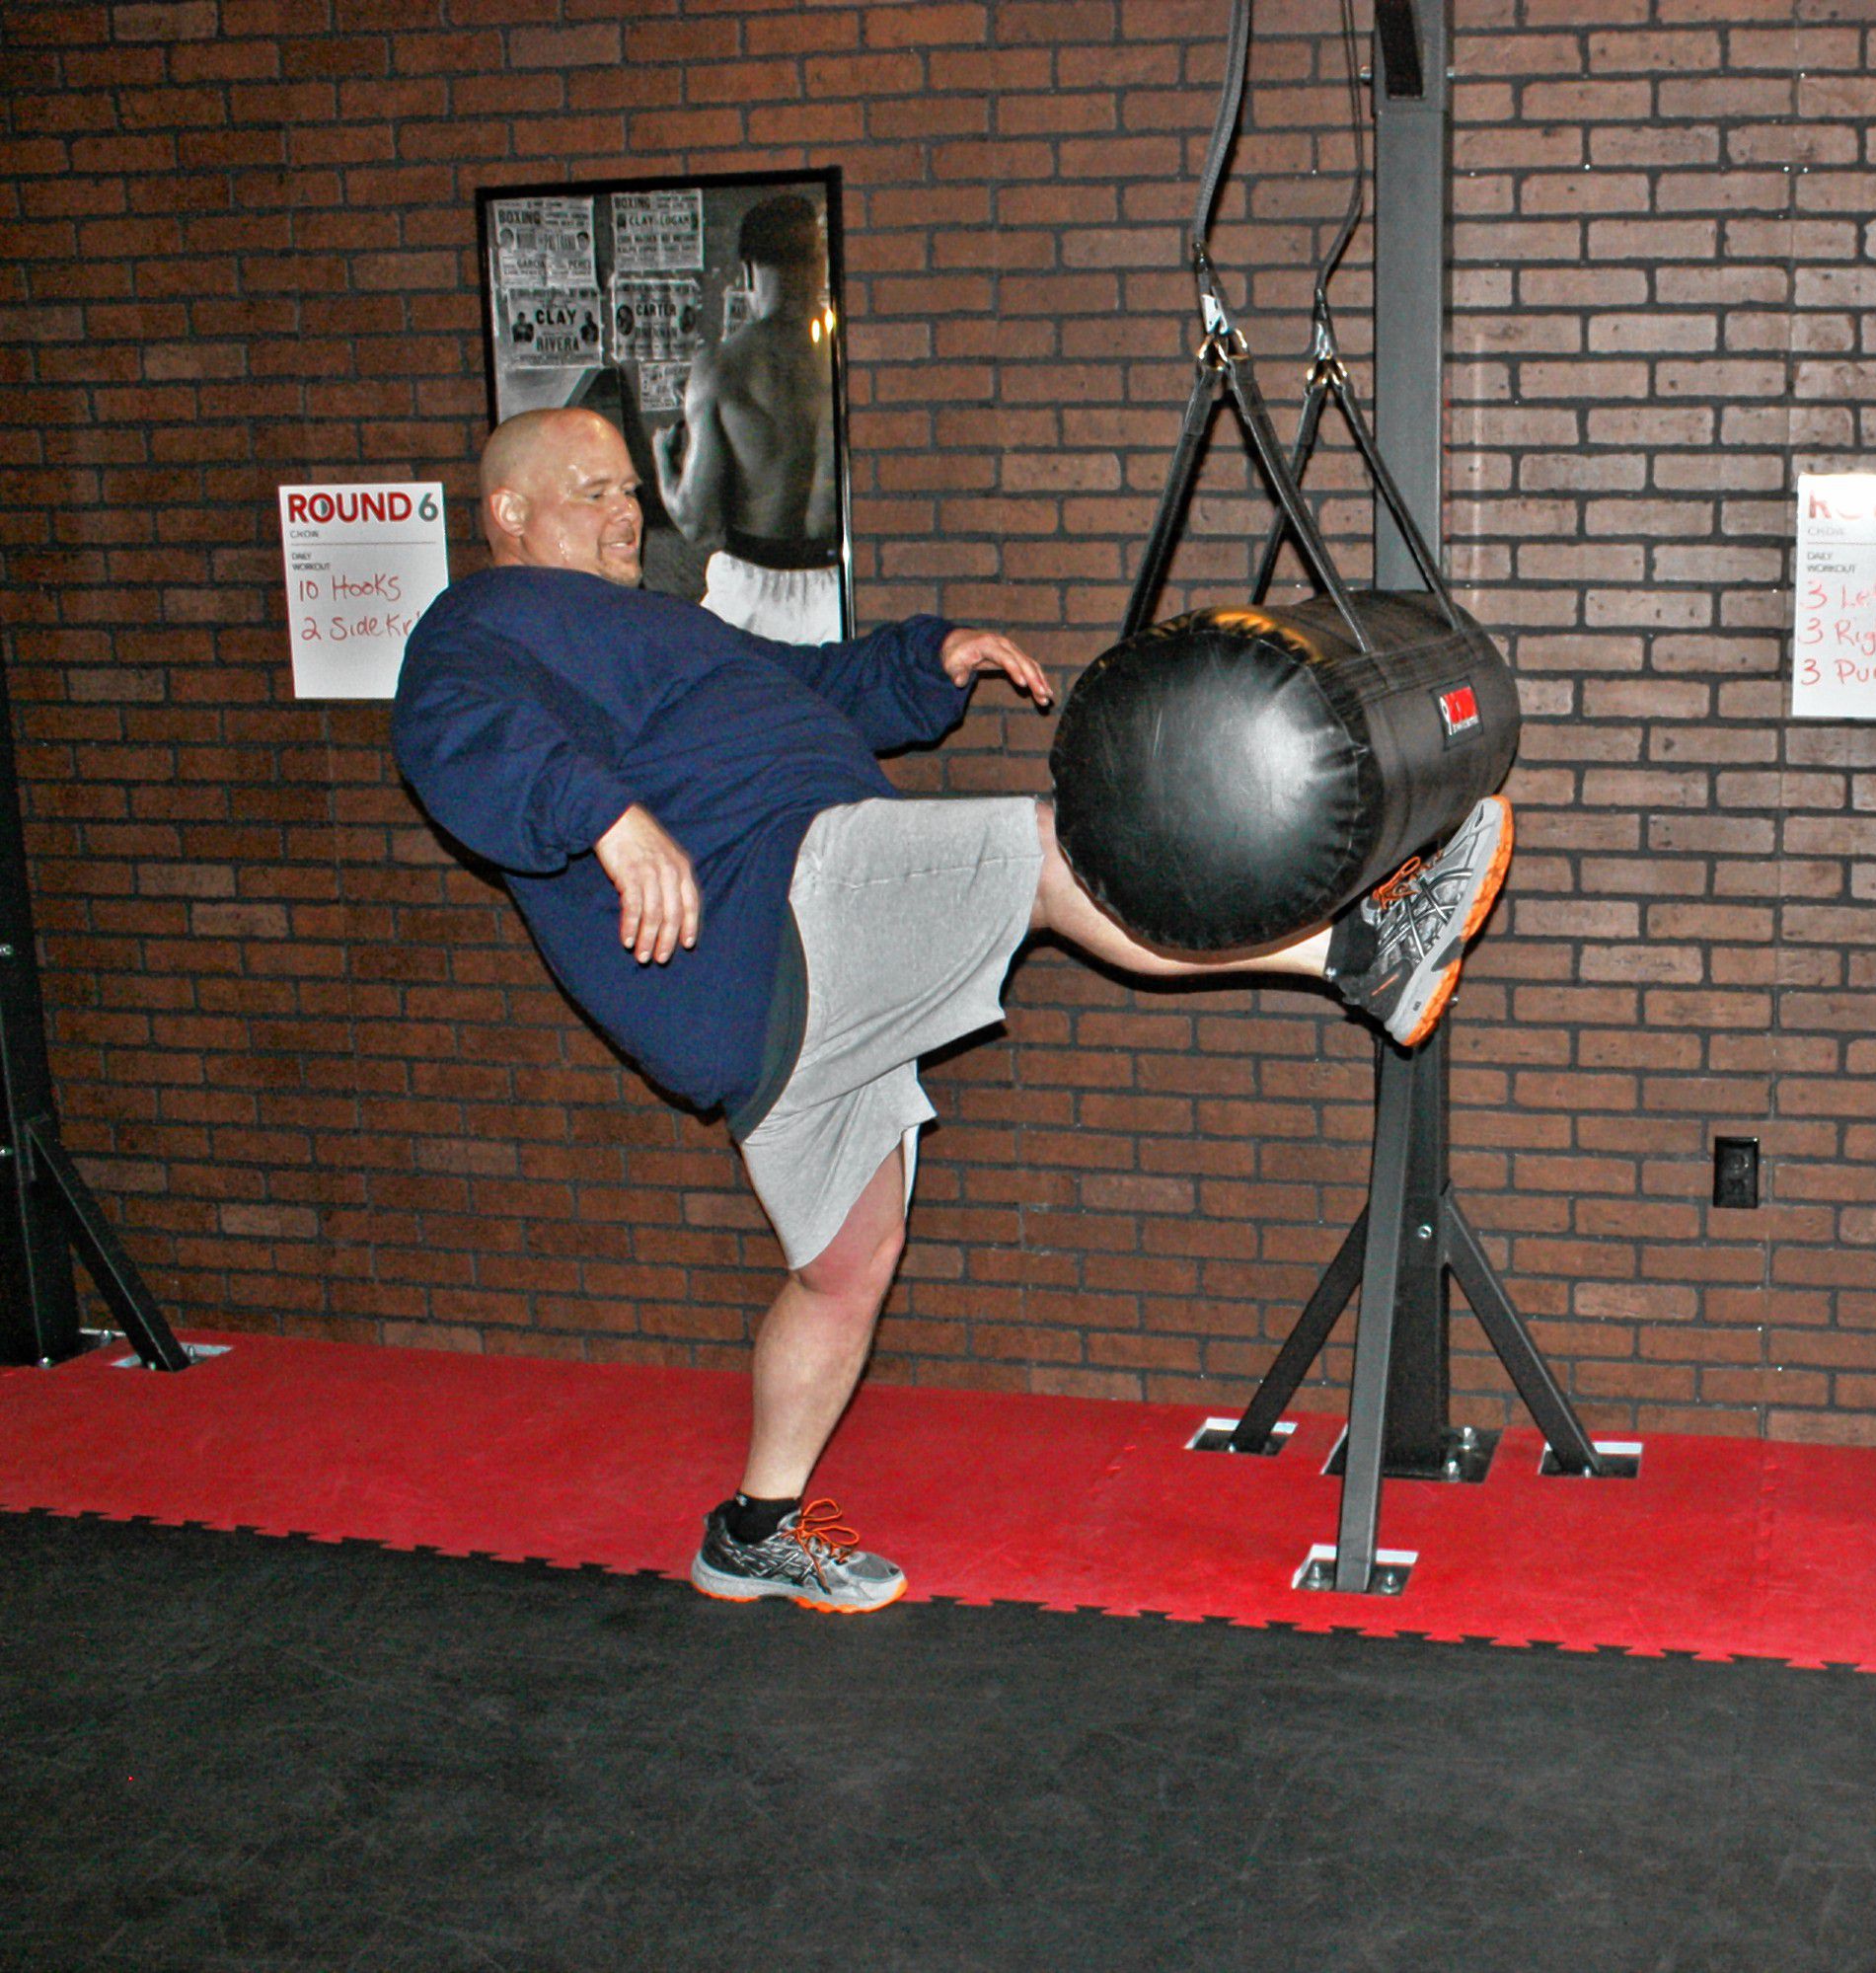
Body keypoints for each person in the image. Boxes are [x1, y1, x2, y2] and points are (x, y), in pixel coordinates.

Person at [393, 406, 1512, 1616]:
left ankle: (755, 1529)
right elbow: (454, 734)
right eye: (597, 492)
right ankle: (1368, 950)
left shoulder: (665, 628)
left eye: (630, 490)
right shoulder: (483, 623)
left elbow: (812, 687)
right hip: (781, 897)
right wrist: (604, 819)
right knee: (1044, 849)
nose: (628, 514)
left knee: (845, 1268)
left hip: (770, 1001)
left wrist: (930, 661)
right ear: (510, 512)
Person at [650, 195, 844, 643]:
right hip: (839, 587)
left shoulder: (722, 367)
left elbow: (696, 523)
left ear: (747, 270)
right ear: (819, 262)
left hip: (751, 594)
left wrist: (663, 462)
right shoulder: (846, 358)